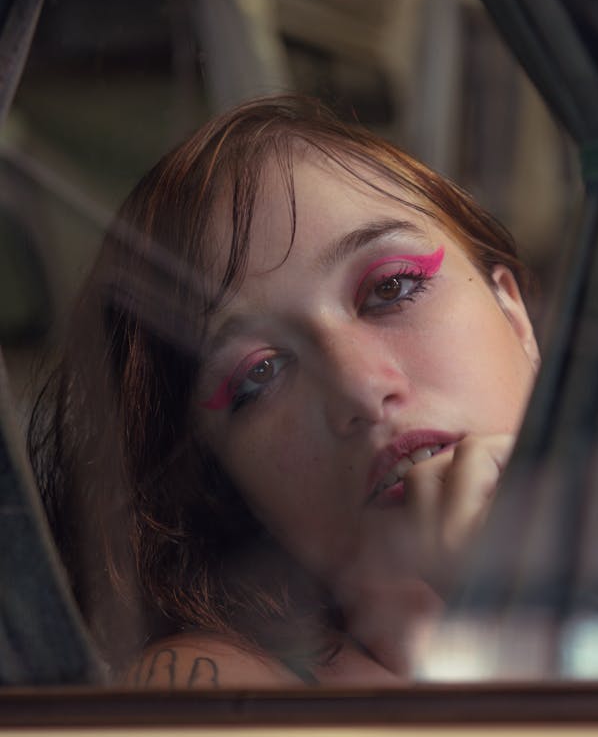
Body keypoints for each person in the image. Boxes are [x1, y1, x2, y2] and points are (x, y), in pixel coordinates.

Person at [28, 96, 540, 687]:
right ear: (221, 479)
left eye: (393, 288)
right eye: (260, 373)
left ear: (514, 312)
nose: (358, 388)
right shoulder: (216, 684)